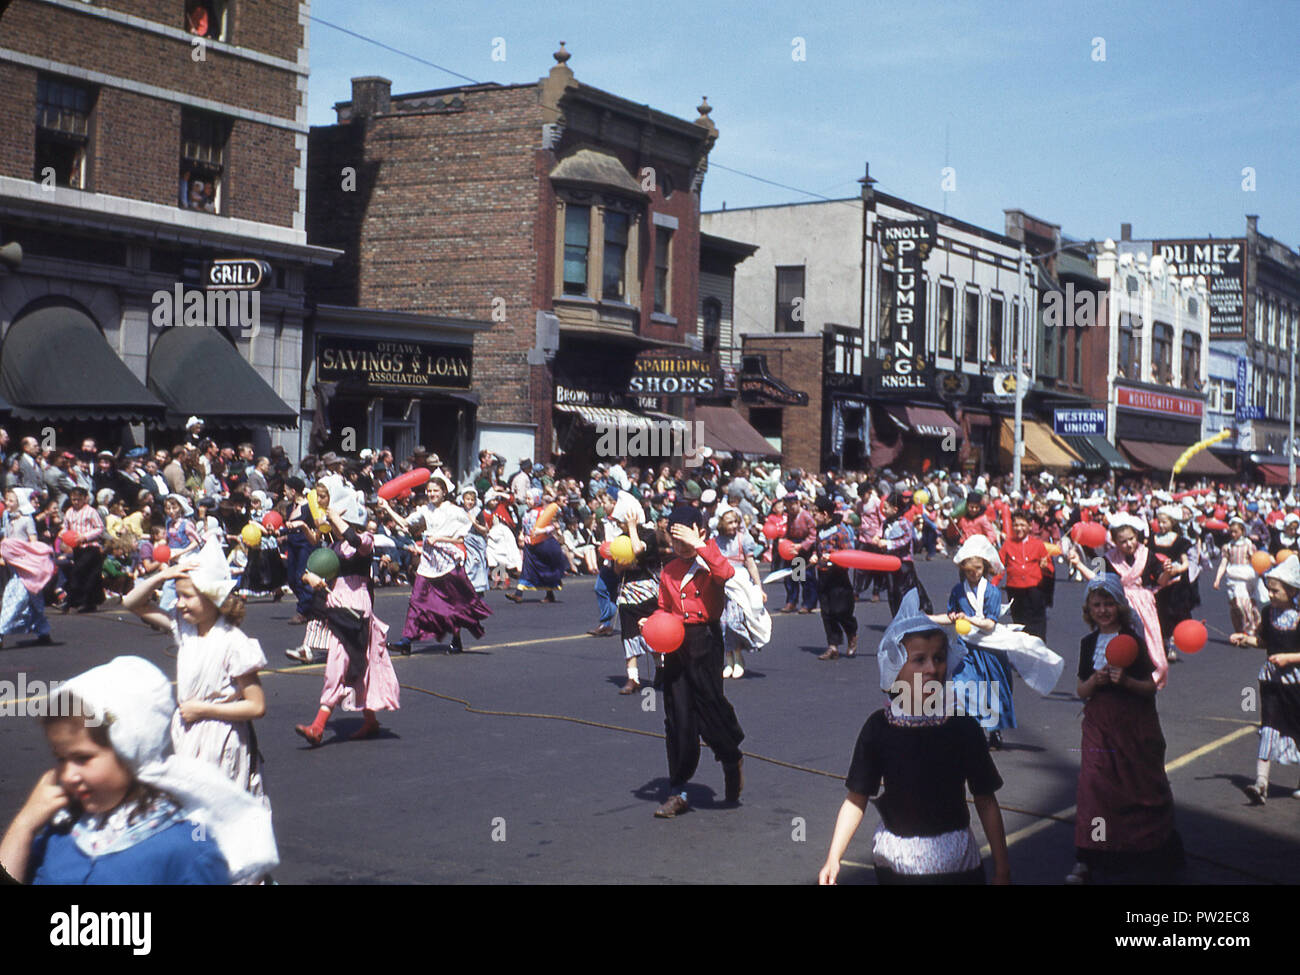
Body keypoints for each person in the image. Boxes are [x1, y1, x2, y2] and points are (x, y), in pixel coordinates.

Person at [0, 655, 277, 885]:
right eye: (60, 759)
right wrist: (25, 824)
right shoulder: (63, 829)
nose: (67, 775)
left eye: (83, 758)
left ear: (131, 750)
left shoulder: (185, 851)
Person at [818, 591, 1010, 885]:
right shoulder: (879, 728)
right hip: (898, 864)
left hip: (955, 862)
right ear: (894, 668)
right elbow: (856, 799)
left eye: (939, 658)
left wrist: (1001, 868)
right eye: (919, 660)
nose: (932, 669)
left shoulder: (961, 728)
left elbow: (985, 800)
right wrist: (834, 857)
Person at [121, 540, 271, 821]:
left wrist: (203, 709)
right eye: (178, 596)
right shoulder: (185, 630)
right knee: (192, 814)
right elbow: (131, 602)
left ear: (213, 597)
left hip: (222, 738)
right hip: (189, 733)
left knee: (217, 816)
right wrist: (163, 575)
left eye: (188, 596)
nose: (179, 603)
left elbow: (256, 706)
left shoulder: (233, 643)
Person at [1068, 575, 1183, 885]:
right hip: (1099, 723)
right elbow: (1080, 688)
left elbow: (1150, 687)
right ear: (1088, 609)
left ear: (1119, 606)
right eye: (1097, 605)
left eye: (1109, 604)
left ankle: (1147, 850)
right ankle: (1089, 857)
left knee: (1138, 786)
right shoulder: (1088, 643)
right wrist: (1095, 681)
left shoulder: (1133, 639)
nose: (1103, 610)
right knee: (1093, 786)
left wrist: (1127, 682)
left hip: (1133, 723)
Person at [649, 506, 745, 818]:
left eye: (685, 537)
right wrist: (652, 624)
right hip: (676, 644)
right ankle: (678, 790)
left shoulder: (709, 560)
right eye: (674, 539)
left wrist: (700, 544)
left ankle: (731, 758)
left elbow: (726, 574)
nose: (680, 546)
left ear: (699, 532)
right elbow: (663, 606)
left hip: (705, 642)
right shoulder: (669, 569)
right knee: (678, 718)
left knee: (711, 708)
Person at [293, 483, 401, 746]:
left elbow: (354, 539)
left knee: (341, 664)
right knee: (355, 663)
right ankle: (370, 720)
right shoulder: (336, 547)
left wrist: (333, 515)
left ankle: (318, 727)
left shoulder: (365, 541)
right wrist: (311, 578)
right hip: (337, 603)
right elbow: (315, 568)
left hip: (357, 608)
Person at [382, 474, 490, 654]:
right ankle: (406, 640)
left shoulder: (455, 511)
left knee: (453, 603)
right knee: (416, 600)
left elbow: (460, 538)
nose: (432, 494)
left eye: (435, 491)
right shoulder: (426, 509)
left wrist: (439, 538)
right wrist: (386, 507)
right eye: (429, 491)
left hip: (448, 561)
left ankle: (456, 640)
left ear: (444, 492)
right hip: (429, 561)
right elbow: (405, 524)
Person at [1229, 557, 1300, 804]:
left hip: (1296, 683)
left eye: (1275, 590)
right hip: (1271, 681)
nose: (1270, 593)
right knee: (1268, 726)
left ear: (1291, 591)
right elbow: (1264, 642)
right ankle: (1261, 784)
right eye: (1268, 588)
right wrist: (1245, 638)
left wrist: (1290, 658)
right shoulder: (1268, 612)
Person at [1069, 516, 1168, 689]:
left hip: (1144, 605)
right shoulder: (1106, 559)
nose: (1128, 544)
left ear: (1137, 536)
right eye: (1123, 541)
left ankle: (1147, 677)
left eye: (1131, 539)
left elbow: (1161, 580)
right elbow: (1097, 580)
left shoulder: (1147, 555)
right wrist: (1078, 564)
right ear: (1114, 542)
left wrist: (1167, 572)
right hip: (1120, 604)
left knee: (1148, 640)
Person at [945, 537, 1016, 749]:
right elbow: (951, 614)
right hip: (966, 646)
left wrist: (968, 619)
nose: (973, 573)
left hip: (989, 647)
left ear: (984, 567)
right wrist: (927, 618)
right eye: (968, 570)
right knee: (963, 685)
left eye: (977, 568)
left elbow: (989, 624)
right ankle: (973, 730)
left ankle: (994, 731)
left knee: (992, 688)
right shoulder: (958, 591)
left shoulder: (992, 592)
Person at [714, 508, 768, 679]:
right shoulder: (715, 541)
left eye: (736, 521)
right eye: (730, 522)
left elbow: (751, 564)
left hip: (739, 583)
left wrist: (758, 587)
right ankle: (729, 659)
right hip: (722, 585)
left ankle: (738, 658)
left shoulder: (743, 539)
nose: (734, 525)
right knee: (722, 623)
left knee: (733, 621)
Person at [0, 488, 54, 649]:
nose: (7, 503)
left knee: (15, 598)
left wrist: (35, 560)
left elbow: (33, 543)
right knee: (35, 601)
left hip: (26, 566)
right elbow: (6, 539)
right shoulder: (7, 519)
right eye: (7, 500)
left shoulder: (27, 520)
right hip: (14, 565)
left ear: (19, 502)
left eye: (11, 500)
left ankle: (0, 632)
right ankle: (43, 631)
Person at [813, 497, 859, 661]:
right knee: (827, 612)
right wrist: (814, 556)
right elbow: (816, 549)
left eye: (815, 513)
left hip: (838, 576)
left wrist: (831, 557)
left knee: (841, 610)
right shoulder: (819, 531)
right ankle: (833, 646)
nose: (814, 516)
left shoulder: (841, 531)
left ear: (824, 514)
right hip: (823, 575)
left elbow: (849, 554)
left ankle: (851, 633)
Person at [1151, 505, 1197, 665]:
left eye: (1164, 522)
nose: (1161, 525)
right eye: (1159, 522)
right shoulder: (1152, 539)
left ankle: (1171, 644)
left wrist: (1178, 568)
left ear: (1172, 522)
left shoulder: (1179, 541)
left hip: (1174, 584)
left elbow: (1185, 563)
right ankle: (1160, 644)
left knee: (1173, 613)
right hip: (1157, 581)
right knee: (1158, 613)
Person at [506, 489, 566, 603]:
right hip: (530, 546)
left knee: (545, 569)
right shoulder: (526, 512)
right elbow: (524, 526)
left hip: (543, 545)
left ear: (537, 499)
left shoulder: (543, 512)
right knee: (526, 568)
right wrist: (521, 534)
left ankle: (550, 594)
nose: (527, 501)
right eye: (527, 498)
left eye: (530, 498)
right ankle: (518, 593)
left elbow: (554, 526)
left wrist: (542, 530)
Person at [999, 509, 1051, 639]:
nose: (1019, 528)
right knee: (1019, 622)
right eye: (1016, 525)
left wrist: (1045, 566)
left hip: (1034, 589)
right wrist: (990, 585)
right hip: (1015, 589)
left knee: (1037, 623)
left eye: (1022, 525)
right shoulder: (1007, 544)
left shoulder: (1038, 544)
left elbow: (1049, 569)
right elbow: (999, 567)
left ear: (1029, 526)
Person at [1213, 517, 1261, 638]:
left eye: (1236, 531)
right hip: (1232, 577)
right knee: (1235, 606)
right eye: (1231, 532)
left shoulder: (1248, 545)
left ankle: (1250, 628)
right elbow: (1224, 563)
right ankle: (1239, 630)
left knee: (1244, 603)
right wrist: (1217, 579)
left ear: (1242, 531)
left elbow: (1256, 560)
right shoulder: (1228, 546)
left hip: (1246, 576)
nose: (1233, 534)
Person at [60, 487, 105, 613]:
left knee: (80, 572)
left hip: (91, 548)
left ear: (85, 499)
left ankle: (72, 601)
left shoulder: (91, 512)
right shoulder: (69, 512)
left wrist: (85, 537)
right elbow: (66, 527)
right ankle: (86, 603)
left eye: (78, 500)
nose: (75, 502)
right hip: (77, 549)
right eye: (73, 499)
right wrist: (63, 534)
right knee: (84, 575)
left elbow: (99, 528)